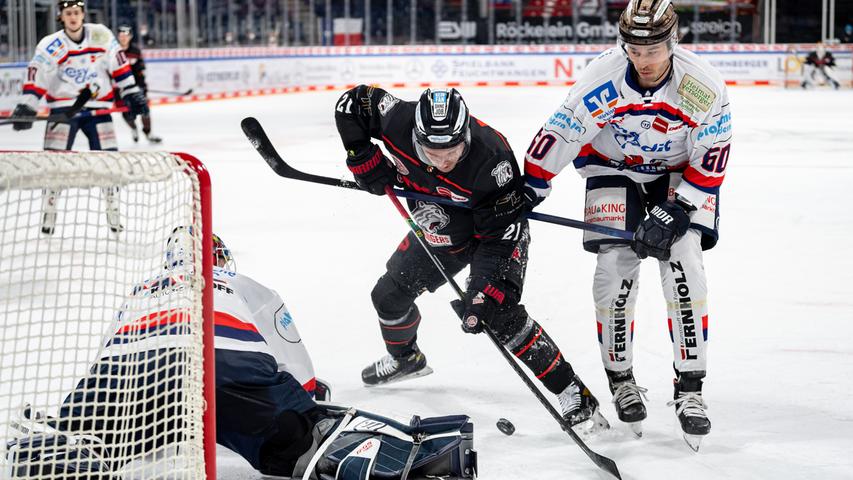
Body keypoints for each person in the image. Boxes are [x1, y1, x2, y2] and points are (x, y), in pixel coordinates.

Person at [4, 232, 476, 479]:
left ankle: (68, 445)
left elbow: (107, 351)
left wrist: (79, 411)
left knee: (87, 438)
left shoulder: (141, 289)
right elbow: (288, 350)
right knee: (300, 441)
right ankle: (401, 463)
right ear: (221, 260)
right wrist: (307, 399)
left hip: (125, 380)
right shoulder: (240, 283)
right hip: (225, 373)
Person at [335, 85, 609, 433]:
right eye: (432, 153)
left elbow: (497, 240)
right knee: (387, 296)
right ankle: (407, 359)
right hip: (440, 230)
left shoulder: (492, 159)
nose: (444, 161)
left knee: (497, 313)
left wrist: (482, 291)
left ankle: (574, 392)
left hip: (494, 236)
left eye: (453, 151)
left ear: (465, 134)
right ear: (416, 136)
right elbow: (352, 103)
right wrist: (360, 152)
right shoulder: (396, 120)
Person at [522, 0, 729, 451]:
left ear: (673, 41)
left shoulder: (703, 87)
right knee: (614, 267)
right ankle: (621, 381)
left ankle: (690, 390)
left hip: (679, 175)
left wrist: (680, 207)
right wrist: (529, 187)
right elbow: (560, 132)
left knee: (684, 261)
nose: (644, 59)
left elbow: (713, 155)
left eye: (653, 47)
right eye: (634, 48)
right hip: (612, 168)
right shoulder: (602, 78)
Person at [8, 0, 148, 235]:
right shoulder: (50, 45)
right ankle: (49, 215)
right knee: (54, 166)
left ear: (83, 14)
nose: (73, 17)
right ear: (61, 16)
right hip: (63, 111)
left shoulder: (101, 36)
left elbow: (120, 67)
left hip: (98, 109)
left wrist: (131, 92)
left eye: (76, 12)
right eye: (68, 13)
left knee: (109, 164)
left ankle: (113, 214)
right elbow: (37, 76)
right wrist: (27, 105)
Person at [115, 24, 162, 143]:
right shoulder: (113, 51)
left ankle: (148, 133)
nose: (123, 38)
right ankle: (133, 128)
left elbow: (141, 70)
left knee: (144, 109)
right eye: (121, 35)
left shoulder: (135, 51)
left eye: (126, 35)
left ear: (130, 37)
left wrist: (142, 87)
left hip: (135, 86)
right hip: (118, 88)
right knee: (125, 113)